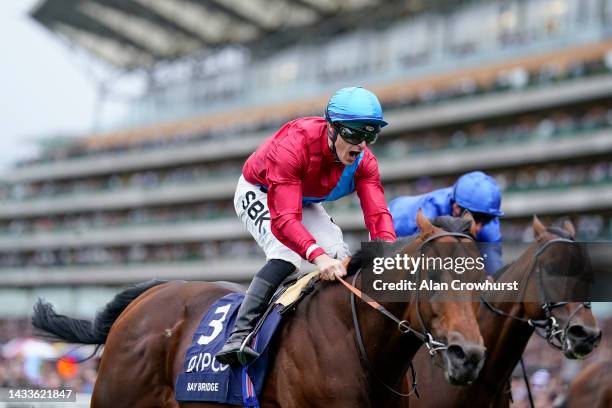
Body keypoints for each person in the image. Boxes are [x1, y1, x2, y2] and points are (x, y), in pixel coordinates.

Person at [216, 87, 397, 366]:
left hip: (301, 195)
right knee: (288, 255)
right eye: (354, 134)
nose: (361, 145)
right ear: (332, 129)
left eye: (369, 135)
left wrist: (388, 251)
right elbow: (284, 220)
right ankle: (239, 335)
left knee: (339, 254)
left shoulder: (365, 161)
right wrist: (316, 255)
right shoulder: (292, 146)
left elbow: (378, 214)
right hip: (260, 189)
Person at [388, 171, 504, 275]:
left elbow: (495, 271)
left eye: (486, 219)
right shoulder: (430, 212)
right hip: (395, 227)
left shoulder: (489, 223)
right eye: (476, 218)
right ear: (456, 208)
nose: (479, 228)